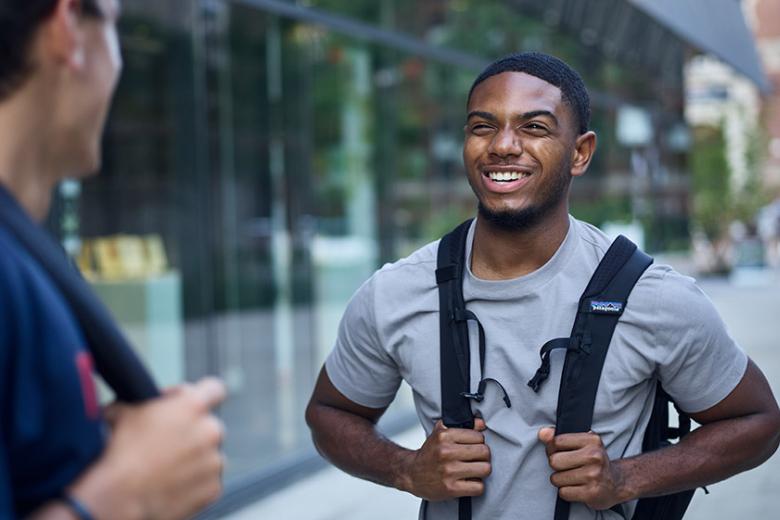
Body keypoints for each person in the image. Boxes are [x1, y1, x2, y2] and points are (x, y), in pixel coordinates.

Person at [305, 52, 780, 519]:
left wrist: (626, 478)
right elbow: (329, 414)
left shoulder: (653, 297)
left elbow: (757, 422)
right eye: (482, 126)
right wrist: (407, 470)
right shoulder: (395, 293)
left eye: (534, 127)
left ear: (580, 152)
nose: (503, 146)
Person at [0, 0, 226, 518]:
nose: (119, 63)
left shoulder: (26, 252)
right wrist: (130, 490)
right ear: (68, 29)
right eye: (116, 26)